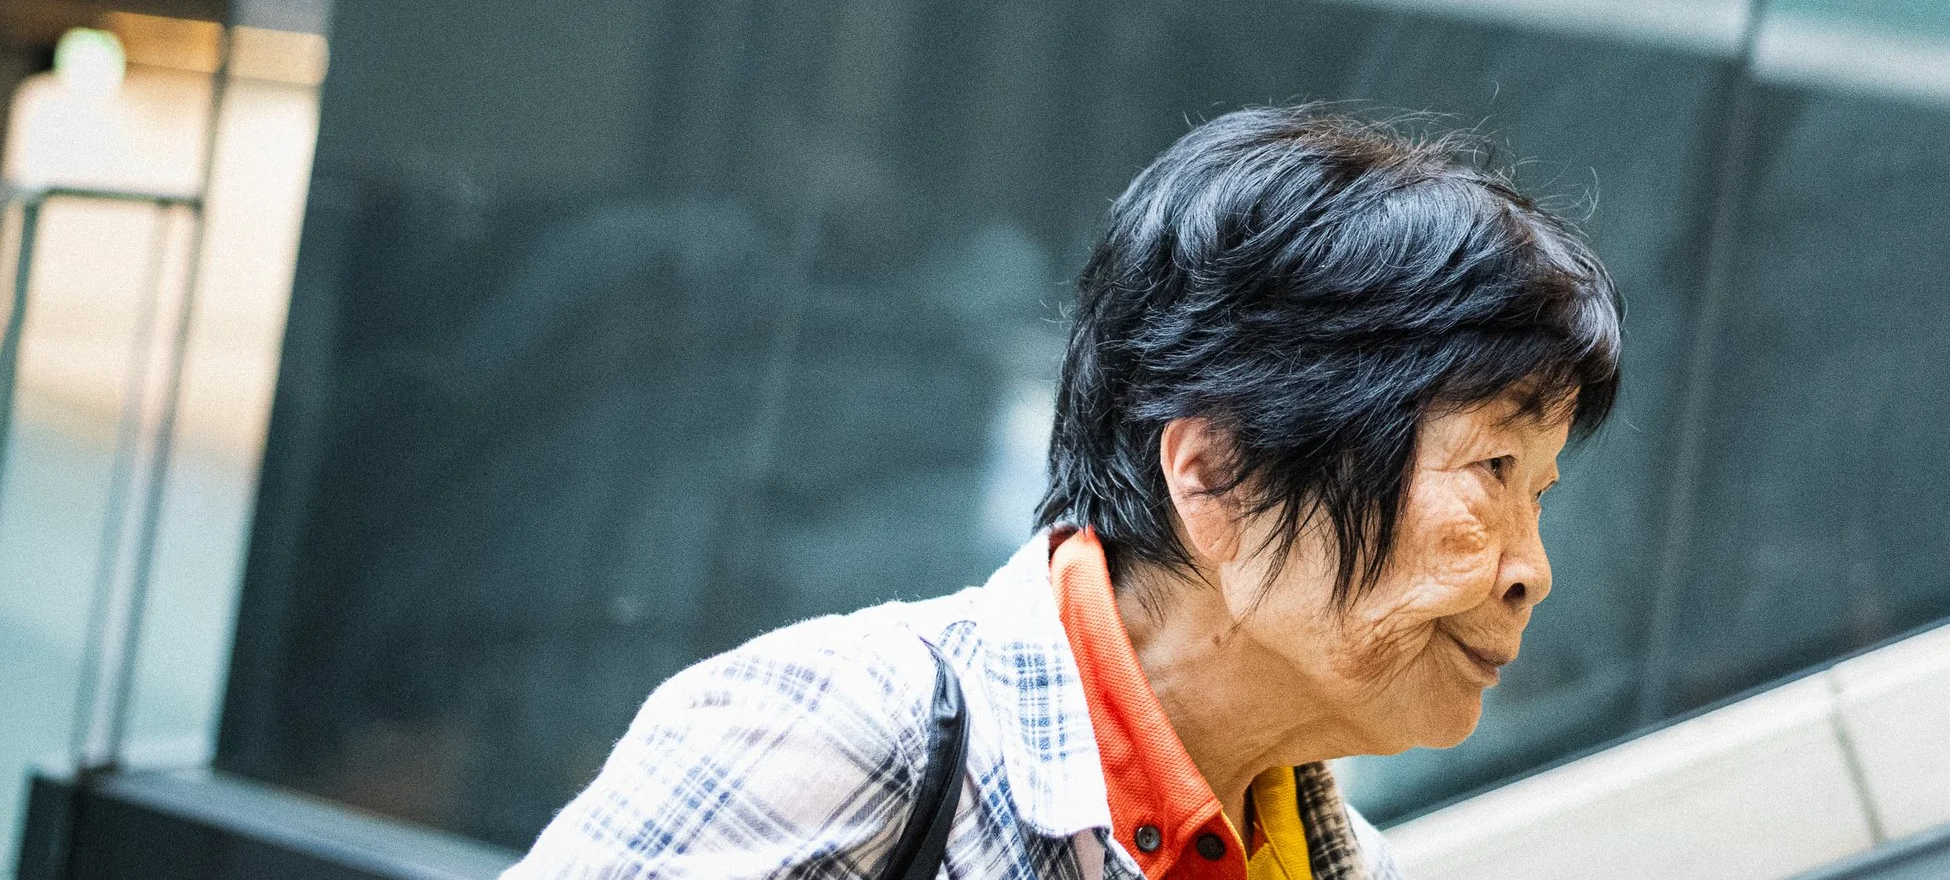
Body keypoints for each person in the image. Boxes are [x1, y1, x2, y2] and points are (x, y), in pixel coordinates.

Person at [505, 106, 1623, 880]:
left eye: (1539, 487)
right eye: (1491, 469)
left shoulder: (1338, 859)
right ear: (1218, 473)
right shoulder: (847, 732)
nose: (1531, 567)